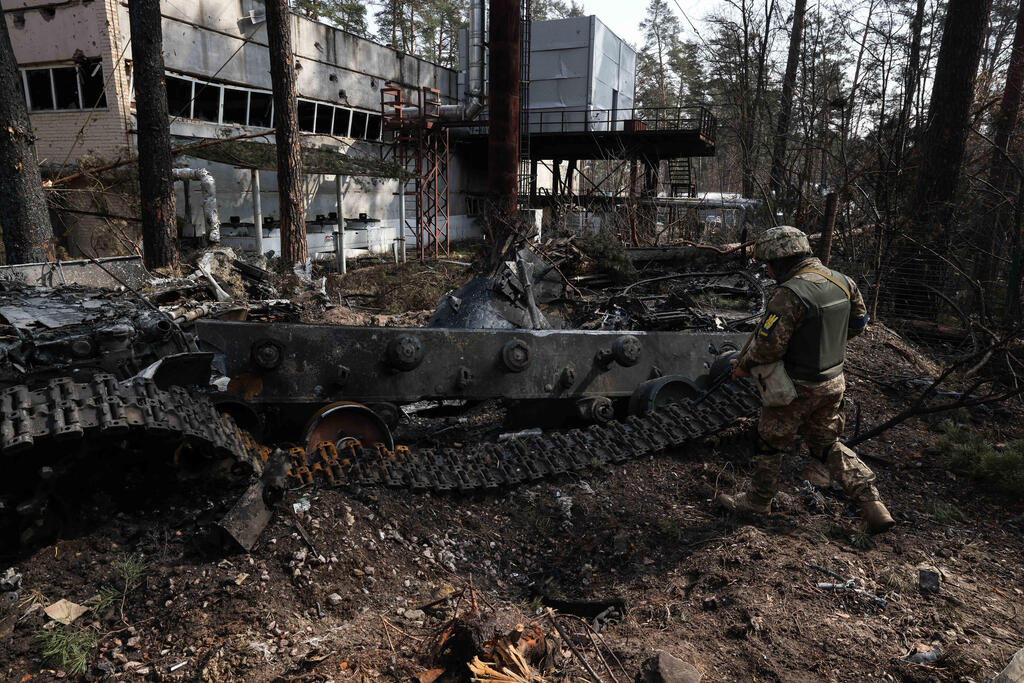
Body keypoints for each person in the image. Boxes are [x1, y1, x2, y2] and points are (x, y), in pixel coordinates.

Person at [717, 226, 895, 533]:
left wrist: (743, 366)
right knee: (827, 444)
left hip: (794, 385)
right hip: (832, 381)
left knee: (769, 442)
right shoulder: (844, 282)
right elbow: (858, 325)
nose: (768, 271)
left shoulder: (790, 293)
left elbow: (768, 347)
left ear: (780, 261)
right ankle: (871, 502)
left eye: (768, 265)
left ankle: (757, 501)